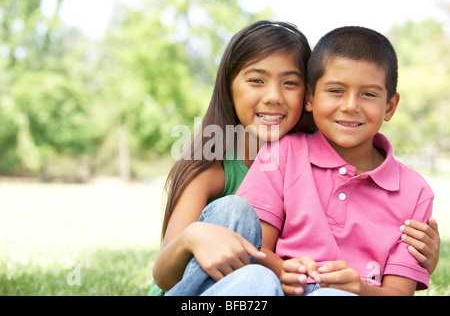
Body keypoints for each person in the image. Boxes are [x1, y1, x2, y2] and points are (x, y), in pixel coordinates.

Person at [150, 21, 440, 296]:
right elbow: (166, 273)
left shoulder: (410, 189)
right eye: (256, 80)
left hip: (269, 286)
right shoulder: (214, 167)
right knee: (235, 214)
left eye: (290, 83)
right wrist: (194, 236)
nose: (274, 96)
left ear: (306, 95)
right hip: (199, 284)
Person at [235, 26, 436, 296]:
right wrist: (287, 271)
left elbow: (400, 292)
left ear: (389, 106)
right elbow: (253, 248)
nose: (351, 105)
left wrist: (361, 289)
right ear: (310, 97)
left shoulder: (414, 192)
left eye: (369, 94)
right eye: (336, 90)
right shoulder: (281, 154)